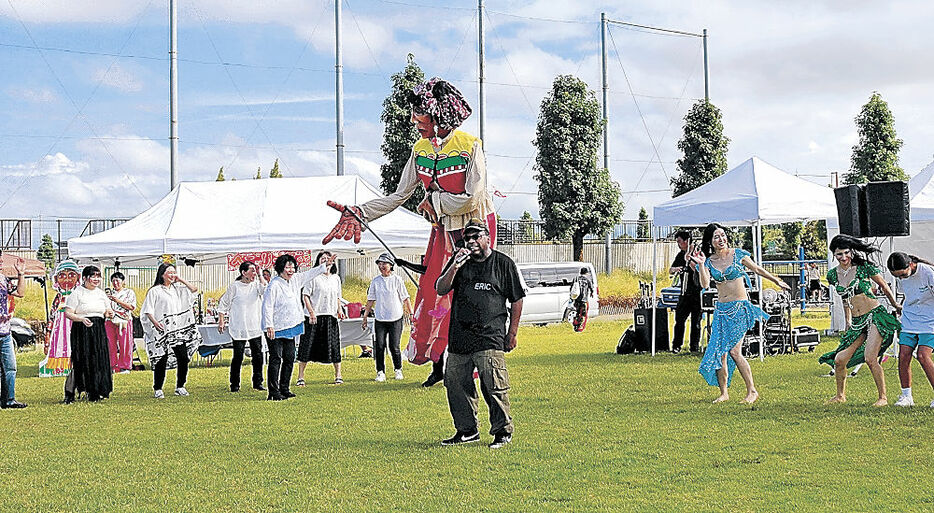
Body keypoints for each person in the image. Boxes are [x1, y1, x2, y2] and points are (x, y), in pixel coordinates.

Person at [322, 77, 496, 389]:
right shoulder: (421, 150)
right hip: (442, 231)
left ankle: (474, 362)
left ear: (439, 114)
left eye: (420, 114)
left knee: (469, 296)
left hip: (474, 230)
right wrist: (362, 212)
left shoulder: (470, 146)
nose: (415, 121)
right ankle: (441, 363)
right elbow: (399, 195)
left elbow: (473, 195)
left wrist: (434, 201)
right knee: (433, 297)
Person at [435, 219, 524, 449]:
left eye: (476, 237)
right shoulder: (459, 262)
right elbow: (440, 288)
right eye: (467, 238)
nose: (471, 242)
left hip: (490, 336)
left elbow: (517, 299)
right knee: (455, 384)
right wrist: (454, 265)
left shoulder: (503, 263)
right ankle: (466, 430)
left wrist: (512, 333)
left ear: (487, 237)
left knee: (493, 385)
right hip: (459, 337)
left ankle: (502, 431)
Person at [691, 223, 790, 404]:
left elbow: (757, 269)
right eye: (716, 237)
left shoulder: (737, 254)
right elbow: (705, 285)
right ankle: (724, 393)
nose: (721, 239)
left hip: (740, 308)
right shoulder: (707, 261)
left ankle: (752, 391)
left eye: (722, 235)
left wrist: (777, 281)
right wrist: (700, 265)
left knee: (735, 352)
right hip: (721, 311)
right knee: (720, 353)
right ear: (710, 242)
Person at [819, 235, 900, 406]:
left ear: (851, 251)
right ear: (834, 254)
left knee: (870, 358)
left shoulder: (864, 267)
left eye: (846, 253)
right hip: (857, 322)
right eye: (839, 254)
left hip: (874, 316)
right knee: (840, 360)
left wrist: (895, 305)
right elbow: (844, 298)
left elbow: (884, 286)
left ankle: (882, 398)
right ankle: (840, 396)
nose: (844, 257)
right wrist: (848, 320)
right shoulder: (833, 275)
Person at [262, 253, 334, 400]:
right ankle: (273, 392)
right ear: (280, 268)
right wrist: (269, 325)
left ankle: (285, 388)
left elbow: (310, 273)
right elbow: (267, 306)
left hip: (291, 325)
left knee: (289, 357)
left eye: (293, 267)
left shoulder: (295, 280)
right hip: (275, 327)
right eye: (287, 267)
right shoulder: (274, 284)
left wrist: (325, 266)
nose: (291, 270)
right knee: (276, 358)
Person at [140, 263, 202, 399]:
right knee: (161, 359)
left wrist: (180, 280)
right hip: (161, 330)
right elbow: (148, 310)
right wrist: (155, 323)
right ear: (162, 274)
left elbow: (194, 290)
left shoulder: (177, 289)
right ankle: (158, 388)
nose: (172, 275)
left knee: (183, 358)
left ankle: (180, 386)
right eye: (170, 272)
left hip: (177, 330)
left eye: (174, 272)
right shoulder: (155, 291)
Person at [887, 252, 934, 408]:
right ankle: (906, 397)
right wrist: (900, 308)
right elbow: (908, 295)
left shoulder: (927, 273)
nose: (901, 278)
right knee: (904, 355)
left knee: (923, 355)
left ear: (911, 265)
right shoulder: (902, 277)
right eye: (897, 276)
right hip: (910, 320)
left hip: (930, 322)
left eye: (902, 275)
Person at [62, 265, 114, 403]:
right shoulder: (77, 293)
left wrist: (109, 313)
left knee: (98, 360)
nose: (96, 279)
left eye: (98, 276)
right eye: (93, 276)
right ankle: (70, 391)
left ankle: (95, 391)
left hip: (98, 329)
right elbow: (68, 313)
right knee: (82, 360)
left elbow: (107, 310)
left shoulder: (101, 293)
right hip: (82, 329)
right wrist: (81, 319)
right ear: (84, 278)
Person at [217, 260, 267, 393]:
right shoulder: (235, 286)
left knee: (258, 356)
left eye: (254, 270)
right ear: (243, 272)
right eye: (251, 270)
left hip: (254, 326)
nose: (254, 273)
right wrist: (221, 320)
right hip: (239, 327)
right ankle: (234, 384)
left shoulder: (256, 285)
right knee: (238, 356)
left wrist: (261, 274)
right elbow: (223, 304)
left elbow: (265, 290)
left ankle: (258, 382)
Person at [362, 252, 412, 382]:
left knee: (394, 346)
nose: (381, 266)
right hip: (380, 318)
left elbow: (405, 298)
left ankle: (398, 369)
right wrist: (365, 317)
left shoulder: (397, 280)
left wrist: (411, 314)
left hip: (396, 318)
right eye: (380, 263)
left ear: (391, 265)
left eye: (384, 263)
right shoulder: (376, 281)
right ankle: (380, 372)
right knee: (379, 345)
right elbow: (370, 300)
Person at [297, 251, 344, 385]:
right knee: (306, 345)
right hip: (314, 316)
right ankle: (301, 377)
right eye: (322, 259)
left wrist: (339, 310)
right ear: (318, 262)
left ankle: (338, 375)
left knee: (334, 345)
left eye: (328, 259)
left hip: (330, 315)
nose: (325, 261)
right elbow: (305, 295)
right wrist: (311, 312)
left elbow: (338, 296)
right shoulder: (313, 277)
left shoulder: (336, 278)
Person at [0, 252, 27, 408]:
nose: (1, 262)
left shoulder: (3, 279)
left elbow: (20, 293)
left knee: (10, 367)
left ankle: (9, 400)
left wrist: (20, 274)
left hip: (5, 332)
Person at [669, 230, 702, 353]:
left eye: (679, 241)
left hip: (697, 292)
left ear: (687, 241)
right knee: (679, 320)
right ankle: (676, 345)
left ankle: (694, 346)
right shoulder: (680, 255)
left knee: (696, 321)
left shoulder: (698, 252)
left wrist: (690, 259)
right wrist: (677, 268)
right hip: (684, 293)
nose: (678, 244)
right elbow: (670, 270)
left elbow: (699, 269)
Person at [105, 271, 136, 374]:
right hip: (110, 320)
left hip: (124, 321)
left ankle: (125, 366)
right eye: (113, 281)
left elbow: (131, 307)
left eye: (117, 280)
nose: (115, 283)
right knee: (110, 344)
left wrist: (117, 300)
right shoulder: (109, 293)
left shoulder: (129, 292)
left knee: (125, 343)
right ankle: (112, 365)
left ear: (123, 281)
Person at [570, 267, 593, 332]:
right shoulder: (587, 279)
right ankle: (580, 327)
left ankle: (575, 325)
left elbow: (571, 289)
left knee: (577, 312)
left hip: (576, 299)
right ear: (586, 273)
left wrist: (572, 297)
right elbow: (591, 288)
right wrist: (591, 293)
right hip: (584, 300)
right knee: (583, 314)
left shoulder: (576, 279)